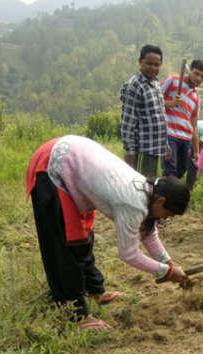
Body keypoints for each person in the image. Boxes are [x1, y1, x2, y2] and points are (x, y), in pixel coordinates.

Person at [26, 135, 190, 330]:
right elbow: (128, 254)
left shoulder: (149, 191)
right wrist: (167, 272)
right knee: (67, 245)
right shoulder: (132, 203)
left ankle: (96, 291)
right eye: (168, 214)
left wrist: (167, 262)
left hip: (76, 163)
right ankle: (75, 314)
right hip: (53, 166)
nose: (165, 219)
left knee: (82, 238)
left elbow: (148, 232)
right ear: (161, 201)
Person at [120, 45, 168, 178]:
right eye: (149, 64)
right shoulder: (134, 85)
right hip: (142, 149)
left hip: (154, 148)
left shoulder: (156, 83)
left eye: (157, 65)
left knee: (150, 184)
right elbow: (128, 122)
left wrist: (165, 144)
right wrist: (130, 152)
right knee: (140, 185)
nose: (153, 68)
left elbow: (161, 115)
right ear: (140, 62)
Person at [161, 59, 203, 190]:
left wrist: (197, 151)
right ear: (190, 70)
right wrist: (171, 104)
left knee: (181, 171)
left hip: (185, 139)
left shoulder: (196, 97)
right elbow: (153, 101)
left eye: (202, 76)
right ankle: (165, 200)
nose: (199, 78)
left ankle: (162, 190)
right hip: (169, 134)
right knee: (170, 171)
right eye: (196, 73)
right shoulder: (172, 81)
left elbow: (193, 124)